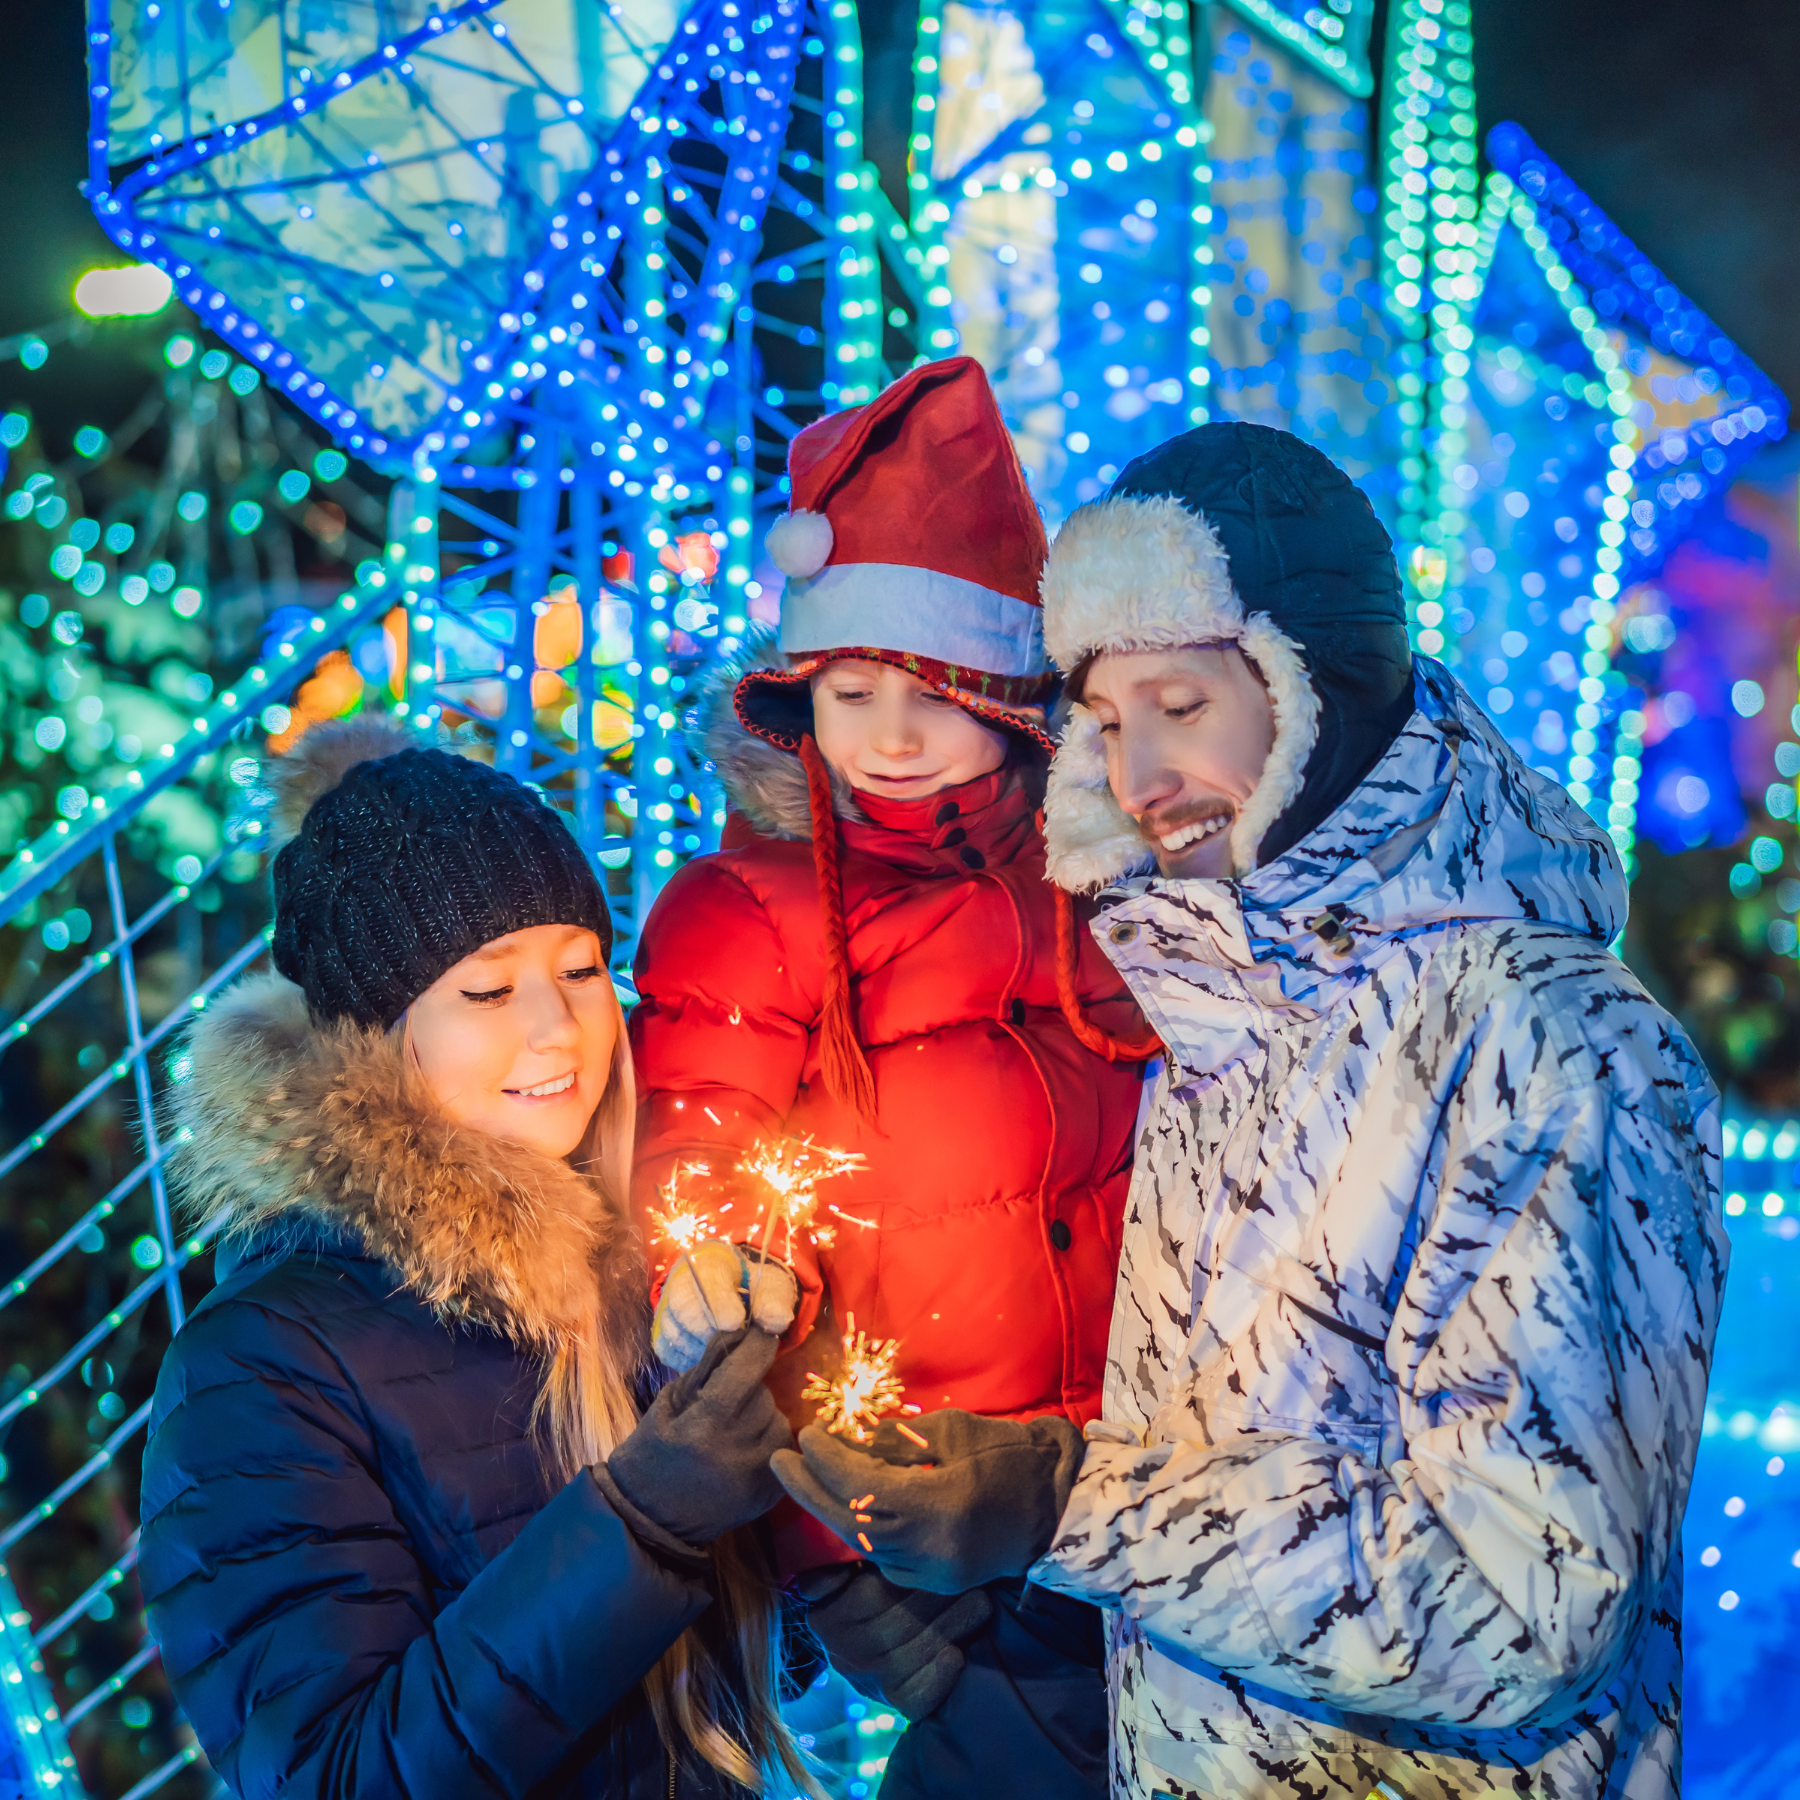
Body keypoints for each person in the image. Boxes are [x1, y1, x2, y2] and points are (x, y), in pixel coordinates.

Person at [770, 422, 1730, 1800]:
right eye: (1106, 725)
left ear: (1316, 685)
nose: (1143, 778)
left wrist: (1066, 1500)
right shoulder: (1218, 1016)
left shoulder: (1550, 1044)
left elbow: (1529, 1597)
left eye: (1181, 704)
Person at [629, 356, 1155, 1797]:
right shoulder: (755, 907)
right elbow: (704, 1150)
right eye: (853, 692)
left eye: (935, 693)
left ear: (1011, 695)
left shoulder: (1096, 883)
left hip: (1122, 1497)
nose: (893, 738)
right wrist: (712, 1268)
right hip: (908, 1527)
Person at [137, 717, 812, 1800]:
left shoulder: (641, 1261)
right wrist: (641, 1523)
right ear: (369, 1030)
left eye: (583, 968)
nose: (559, 1028)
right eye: (488, 990)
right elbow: (336, 1775)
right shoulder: (255, 1365)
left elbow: (718, 1691)